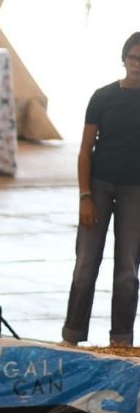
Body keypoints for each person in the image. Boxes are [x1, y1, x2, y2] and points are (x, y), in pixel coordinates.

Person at [62, 33, 140, 347]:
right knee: (85, 265)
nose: (137, 65)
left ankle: (121, 341)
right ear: (124, 60)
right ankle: (72, 336)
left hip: (136, 192)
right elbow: (85, 150)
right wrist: (85, 196)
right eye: (133, 58)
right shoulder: (103, 97)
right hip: (98, 187)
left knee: (127, 271)